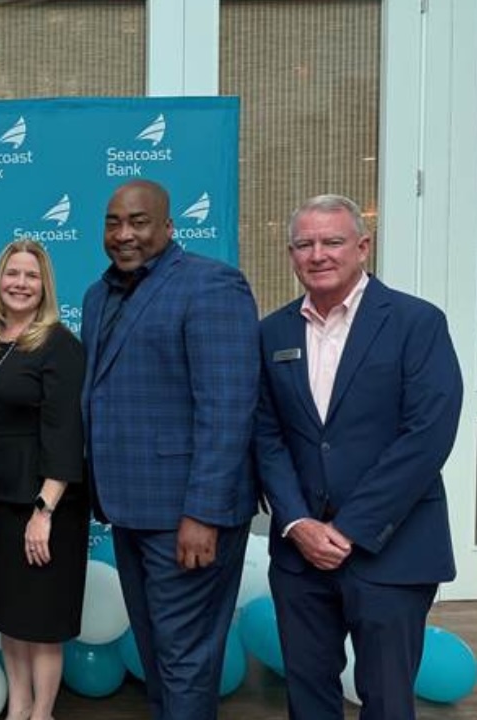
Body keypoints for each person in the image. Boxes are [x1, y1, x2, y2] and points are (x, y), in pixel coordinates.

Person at [255, 194, 462, 720]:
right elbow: (265, 436)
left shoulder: (417, 322)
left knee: (388, 701)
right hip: (300, 557)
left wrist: (349, 529)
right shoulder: (272, 332)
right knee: (308, 700)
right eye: (304, 244)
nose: (317, 254)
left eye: (332, 241)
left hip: (391, 551)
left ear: (363, 246)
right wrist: (297, 522)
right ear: (291, 254)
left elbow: (427, 435)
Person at [80, 179, 258, 719]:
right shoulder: (97, 296)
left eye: (139, 222)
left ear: (168, 227)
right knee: (158, 652)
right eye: (114, 222)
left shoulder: (210, 285)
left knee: (185, 659)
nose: (124, 234)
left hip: (187, 515)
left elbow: (227, 408)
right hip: (129, 507)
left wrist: (203, 513)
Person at [0, 239, 87, 720]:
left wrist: (44, 511)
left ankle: (42, 713)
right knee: (11, 615)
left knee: (41, 621)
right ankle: (18, 708)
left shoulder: (59, 344)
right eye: (13, 273)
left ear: (45, 287)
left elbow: (66, 433)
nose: (20, 283)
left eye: (31, 276)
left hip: (43, 502)